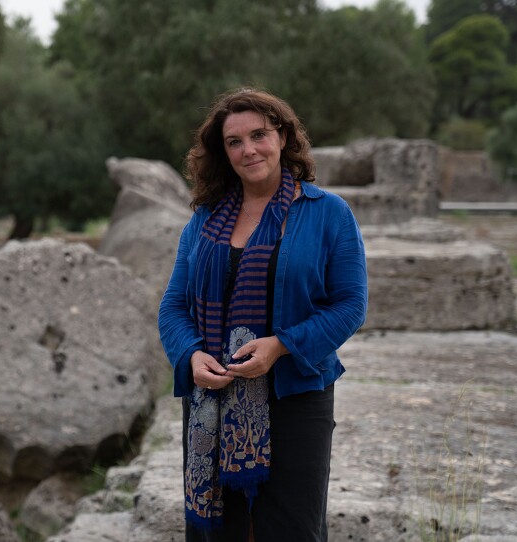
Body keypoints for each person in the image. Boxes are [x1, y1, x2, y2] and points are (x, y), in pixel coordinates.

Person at [158, 88, 368, 541]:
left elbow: (351, 305)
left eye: (259, 135)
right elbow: (173, 308)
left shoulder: (328, 213)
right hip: (211, 402)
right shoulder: (203, 221)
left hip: (295, 399)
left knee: (291, 529)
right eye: (234, 141)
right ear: (223, 152)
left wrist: (281, 346)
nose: (248, 149)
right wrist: (192, 356)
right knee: (222, 533)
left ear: (284, 136)